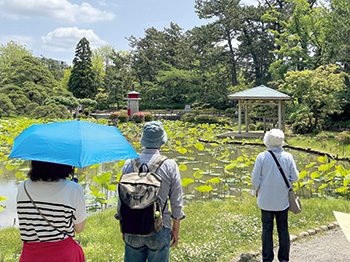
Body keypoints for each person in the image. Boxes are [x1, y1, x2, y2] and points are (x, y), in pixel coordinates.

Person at [117, 121, 185, 262]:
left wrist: (123, 226)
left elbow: (121, 198)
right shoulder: (170, 165)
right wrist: (176, 229)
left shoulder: (128, 163)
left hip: (132, 226)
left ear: (143, 140)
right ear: (162, 142)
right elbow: (176, 201)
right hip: (160, 227)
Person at [16, 160, 87, 262]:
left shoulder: (22, 187)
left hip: (31, 256)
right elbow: (79, 228)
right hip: (64, 255)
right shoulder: (74, 189)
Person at [251, 129, 299, 262]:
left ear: (267, 141)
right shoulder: (288, 157)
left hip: (265, 201)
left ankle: (267, 258)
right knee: (283, 228)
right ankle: (283, 259)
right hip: (282, 201)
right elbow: (295, 178)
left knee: (267, 229)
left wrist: (256, 189)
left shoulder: (262, 157)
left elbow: (255, 179)